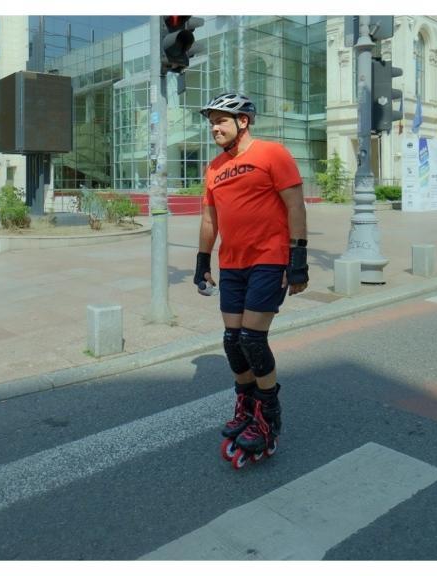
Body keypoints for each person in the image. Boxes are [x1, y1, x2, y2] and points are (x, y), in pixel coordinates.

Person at [194, 92, 308, 463]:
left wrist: (299, 258)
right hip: (232, 264)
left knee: (253, 341)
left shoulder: (272, 154)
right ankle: (245, 406)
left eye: (220, 120)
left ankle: (268, 418)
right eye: (211, 121)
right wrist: (201, 260)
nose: (214, 127)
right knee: (232, 342)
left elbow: (295, 204)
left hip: (268, 259)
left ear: (243, 121)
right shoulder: (213, 168)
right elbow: (210, 219)